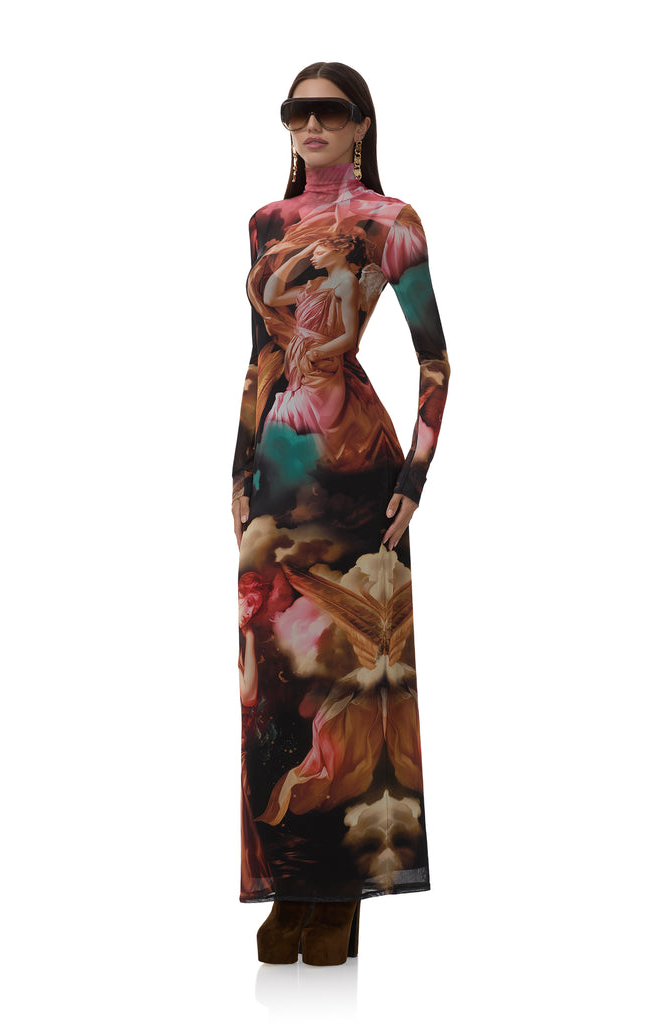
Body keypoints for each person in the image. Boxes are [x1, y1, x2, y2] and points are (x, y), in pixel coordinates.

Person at [231, 61, 451, 967]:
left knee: (355, 675)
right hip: (276, 469)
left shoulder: (391, 221)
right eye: (296, 111)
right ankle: (291, 885)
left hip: (358, 470)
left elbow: (434, 360)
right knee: (275, 683)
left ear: (361, 124)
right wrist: (237, 472)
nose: (310, 124)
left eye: (328, 111)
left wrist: (416, 478)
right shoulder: (265, 223)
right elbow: (257, 359)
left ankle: (344, 896)